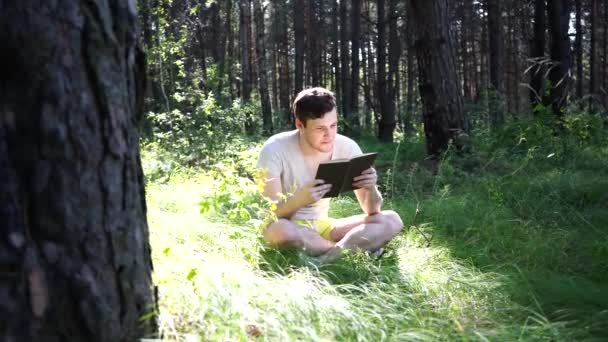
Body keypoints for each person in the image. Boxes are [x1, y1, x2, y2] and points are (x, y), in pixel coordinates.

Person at [257, 87, 404, 262]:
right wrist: (298, 200)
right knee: (281, 231)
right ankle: (351, 250)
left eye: (333, 125)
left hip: (324, 226)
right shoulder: (274, 148)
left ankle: (327, 258)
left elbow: (372, 211)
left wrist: (370, 187)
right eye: (320, 128)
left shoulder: (347, 147)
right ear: (300, 125)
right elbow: (269, 215)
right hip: (288, 226)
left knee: (392, 220)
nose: (329, 135)